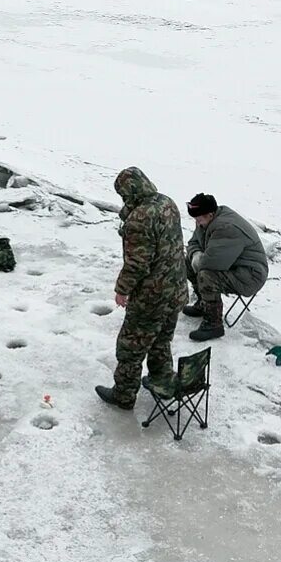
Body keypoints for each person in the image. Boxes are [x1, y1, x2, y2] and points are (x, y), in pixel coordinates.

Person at [95, 167, 188, 410]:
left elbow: (137, 263)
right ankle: (161, 379)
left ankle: (123, 395)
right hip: (176, 289)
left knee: (130, 347)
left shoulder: (139, 219)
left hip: (151, 297)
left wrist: (122, 289)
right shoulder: (167, 203)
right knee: (160, 339)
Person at [184, 193, 268, 341]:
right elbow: (193, 244)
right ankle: (203, 303)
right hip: (233, 266)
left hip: (250, 275)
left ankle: (213, 324)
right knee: (188, 262)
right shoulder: (207, 220)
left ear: (210, 215)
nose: (197, 223)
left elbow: (211, 263)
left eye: (199, 219)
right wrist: (195, 254)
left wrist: (198, 258)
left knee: (206, 275)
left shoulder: (226, 227)